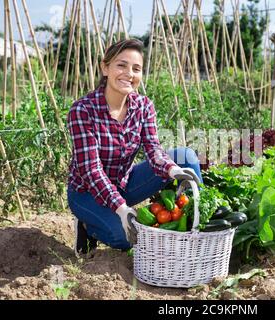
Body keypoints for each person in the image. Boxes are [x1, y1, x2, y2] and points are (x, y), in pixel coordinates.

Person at [66, 39, 202, 256]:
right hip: (87, 193)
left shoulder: (143, 106)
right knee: (125, 237)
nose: (129, 73)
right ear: (105, 68)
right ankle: (88, 227)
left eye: (136, 69)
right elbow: (91, 171)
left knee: (185, 157)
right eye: (121, 65)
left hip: (125, 183)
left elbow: (153, 148)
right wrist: (121, 209)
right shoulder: (83, 110)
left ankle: (198, 225)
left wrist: (171, 169)